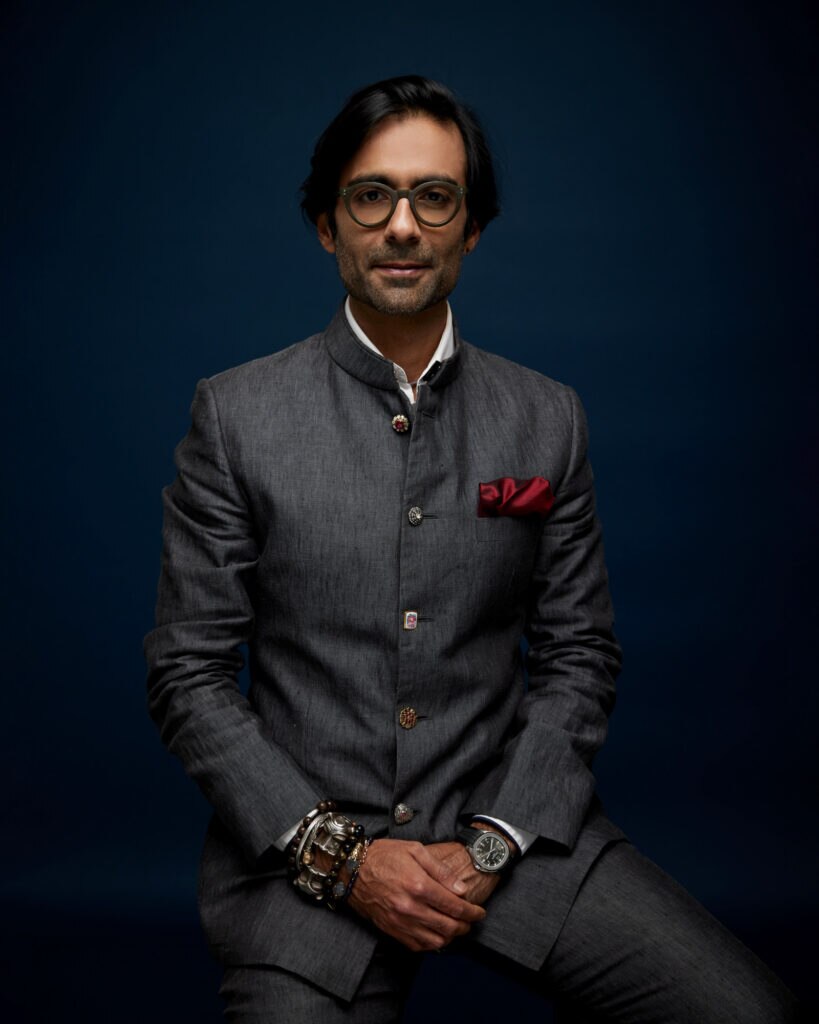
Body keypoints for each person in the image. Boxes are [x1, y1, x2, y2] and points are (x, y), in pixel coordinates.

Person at [144, 75, 799, 1022]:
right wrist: (342, 858)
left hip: (513, 838)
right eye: (371, 196)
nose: (401, 226)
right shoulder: (237, 415)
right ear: (327, 225)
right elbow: (187, 675)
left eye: (434, 197)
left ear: (472, 229)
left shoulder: (546, 418)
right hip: (303, 866)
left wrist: (492, 842)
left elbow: (579, 655)